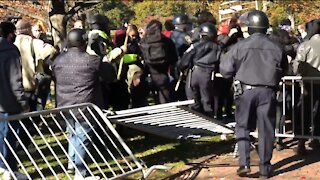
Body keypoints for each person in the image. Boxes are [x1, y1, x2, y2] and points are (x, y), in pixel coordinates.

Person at [220, 10, 288, 178]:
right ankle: (265, 168)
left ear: (249, 28)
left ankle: (244, 163)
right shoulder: (276, 47)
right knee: (266, 130)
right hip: (267, 91)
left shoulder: (239, 46)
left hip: (245, 91)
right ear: (266, 28)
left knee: (242, 127)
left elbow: (226, 69)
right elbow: (284, 69)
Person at [52, 28, 110, 179]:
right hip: (85, 106)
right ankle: (81, 174)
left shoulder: (58, 60)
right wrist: (103, 56)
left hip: (65, 105)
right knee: (82, 138)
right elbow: (110, 75)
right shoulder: (92, 61)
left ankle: (72, 163)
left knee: (74, 135)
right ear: (84, 43)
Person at [0, 21, 29, 180]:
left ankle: (4, 165)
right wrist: (23, 102)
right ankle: (9, 169)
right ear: (11, 33)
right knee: (9, 137)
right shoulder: (10, 50)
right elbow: (15, 79)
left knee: (1, 135)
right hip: (8, 101)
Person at [178, 22, 221, 117]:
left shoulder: (195, 46)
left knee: (193, 99)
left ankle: (197, 119)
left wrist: (182, 68)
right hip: (208, 74)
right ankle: (210, 119)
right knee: (207, 99)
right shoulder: (218, 47)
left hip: (194, 73)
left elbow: (185, 59)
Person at [291, 18, 320, 155]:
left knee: (305, 112)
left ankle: (301, 142)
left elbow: (298, 66)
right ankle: (317, 139)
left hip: (308, 84)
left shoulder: (305, 45)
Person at [140, 20, 178, 104]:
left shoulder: (144, 42)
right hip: (163, 74)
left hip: (148, 73)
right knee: (165, 101)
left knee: (143, 101)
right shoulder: (166, 41)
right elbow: (174, 58)